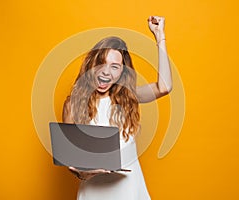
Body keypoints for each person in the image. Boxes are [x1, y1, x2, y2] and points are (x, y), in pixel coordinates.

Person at [62, 16, 172, 200]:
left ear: (122, 72)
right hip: (93, 190)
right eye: (102, 64)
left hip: (129, 189)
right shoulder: (73, 104)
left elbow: (164, 87)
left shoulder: (130, 97)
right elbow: (72, 161)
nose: (106, 72)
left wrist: (160, 37)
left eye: (115, 66)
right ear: (92, 65)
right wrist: (82, 174)